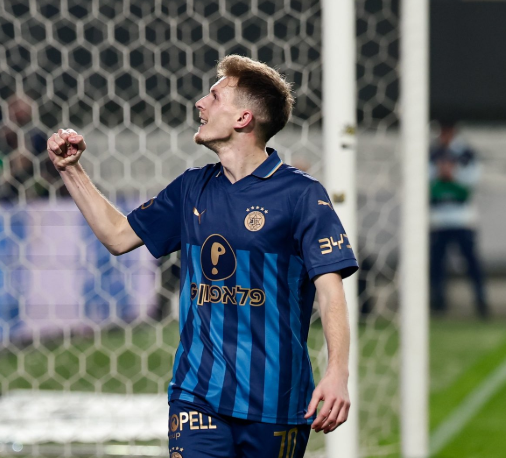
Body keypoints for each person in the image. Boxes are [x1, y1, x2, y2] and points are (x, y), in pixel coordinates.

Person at [46, 55, 358, 457]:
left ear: (243, 118)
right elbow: (118, 236)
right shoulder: (191, 188)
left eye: (215, 96)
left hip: (276, 402)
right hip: (197, 396)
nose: (200, 103)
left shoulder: (302, 195)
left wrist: (337, 372)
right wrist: (71, 170)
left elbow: (331, 293)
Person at [429, 120, 489, 318]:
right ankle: (438, 302)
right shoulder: (432, 153)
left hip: (463, 218)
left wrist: (453, 174)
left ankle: (481, 300)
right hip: (438, 218)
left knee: (471, 262)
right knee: (436, 264)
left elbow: (475, 178)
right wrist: (438, 172)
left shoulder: (466, 153)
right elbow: (421, 177)